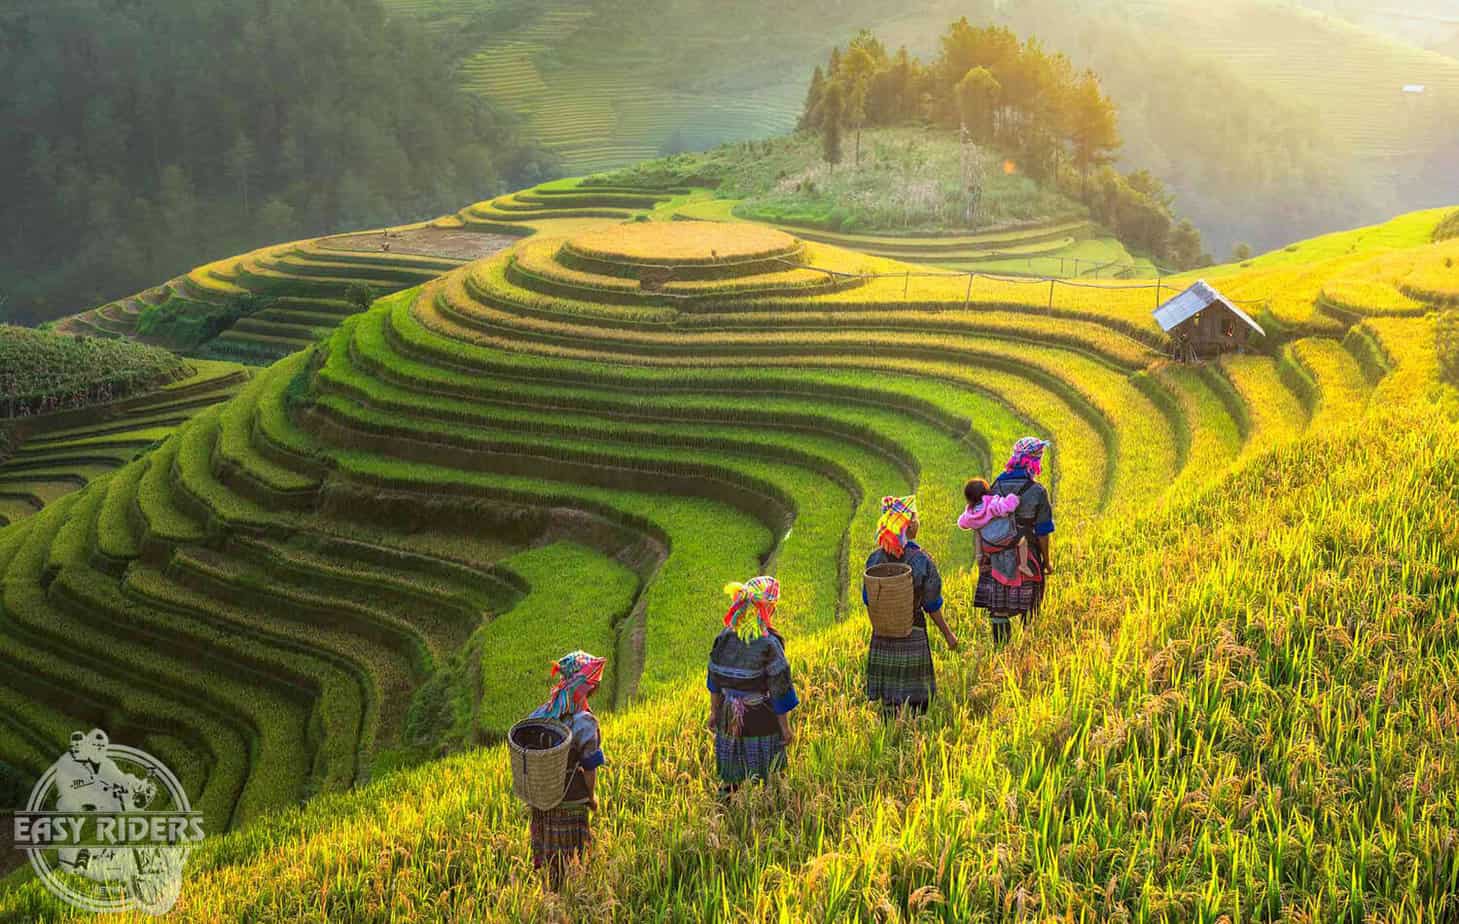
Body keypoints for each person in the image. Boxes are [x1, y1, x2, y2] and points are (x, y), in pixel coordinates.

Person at [863, 495, 958, 716]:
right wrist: (949, 635)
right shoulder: (921, 560)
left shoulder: (873, 560)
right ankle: (913, 739)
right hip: (912, 631)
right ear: (910, 524)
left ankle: (889, 737)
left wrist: (883, 624)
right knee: (918, 702)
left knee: (889, 700)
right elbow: (932, 605)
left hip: (882, 636)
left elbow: (868, 599)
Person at [706, 576, 799, 794]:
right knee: (770, 775)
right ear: (768, 608)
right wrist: (785, 728)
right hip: (760, 715)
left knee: (732, 773)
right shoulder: (769, 643)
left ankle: (726, 807)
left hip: (729, 713)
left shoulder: (725, 637)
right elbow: (780, 689)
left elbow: (714, 681)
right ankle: (767, 812)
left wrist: (714, 712)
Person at [526, 651, 607, 887]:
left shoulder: (542, 713)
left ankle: (552, 897)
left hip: (542, 801)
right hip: (570, 800)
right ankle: (568, 901)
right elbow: (590, 766)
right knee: (571, 863)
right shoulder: (584, 721)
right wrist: (591, 797)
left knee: (551, 861)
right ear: (584, 687)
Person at [976, 438, 1056, 645]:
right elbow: (1043, 532)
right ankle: (1025, 650)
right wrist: (1046, 561)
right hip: (1026, 555)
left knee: (998, 608)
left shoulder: (995, 485)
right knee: (1030, 604)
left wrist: (982, 554)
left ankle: (1000, 651)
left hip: (997, 555)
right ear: (1035, 461)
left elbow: (982, 521)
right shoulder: (1038, 492)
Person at [958, 478, 1035, 582]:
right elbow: (1007, 506)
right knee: (1023, 541)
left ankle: (985, 560)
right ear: (986, 492)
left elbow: (962, 523)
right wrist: (1014, 498)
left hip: (989, 545)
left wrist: (979, 556)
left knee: (978, 533)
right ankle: (1024, 565)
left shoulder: (971, 515)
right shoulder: (993, 503)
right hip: (1007, 539)